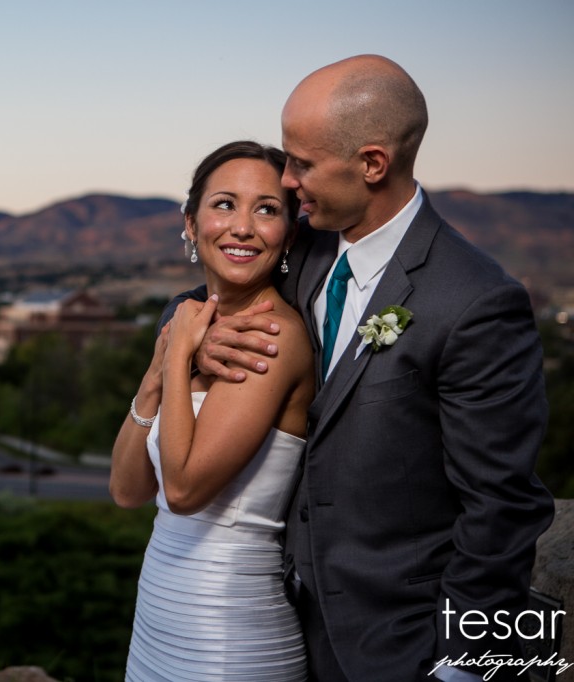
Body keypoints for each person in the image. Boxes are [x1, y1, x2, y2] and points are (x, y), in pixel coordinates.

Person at [165, 55, 555, 681]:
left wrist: (460, 668)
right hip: (274, 622)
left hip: (396, 643)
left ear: (372, 163)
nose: (286, 182)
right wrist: (197, 339)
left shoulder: (475, 301)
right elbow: (210, 284)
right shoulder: (305, 247)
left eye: (302, 163)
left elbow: (502, 508)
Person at [110, 140, 315, 681]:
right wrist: (157, 376)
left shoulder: (272, 336)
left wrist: (175, 354)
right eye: (224, 203)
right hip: (159, 609)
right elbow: (128, 492)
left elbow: (180, 490)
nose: (242, 227)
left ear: (289, 233)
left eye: (267, 209)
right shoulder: (189, 318)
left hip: (228, 625)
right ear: (190, 222)